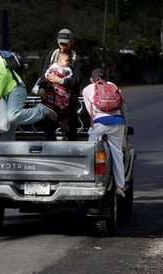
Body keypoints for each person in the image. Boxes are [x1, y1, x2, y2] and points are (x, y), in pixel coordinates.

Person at [82, 68, 126, 198]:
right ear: (105, 78)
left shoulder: (87, 89)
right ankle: (120, 186)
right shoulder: (112, 85)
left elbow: (89, 111)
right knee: (118, 153)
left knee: (90, 151)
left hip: (100, 122)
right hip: (118, 122)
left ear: (91, 79)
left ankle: (89, 180)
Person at [39, 28, 86, 141]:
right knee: (48, 130)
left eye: (66, 42)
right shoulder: (52, 55)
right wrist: (41, 88)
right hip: (51, 99)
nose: (63, 45)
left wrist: (60, 81)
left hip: (69, 102)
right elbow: (44, 74)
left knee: (71, 132)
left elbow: (77, 80)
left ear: (71, 42)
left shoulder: (77, 59)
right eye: (61, 42)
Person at [41, 52, 74, 125]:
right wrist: (47, 76)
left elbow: (71, 76)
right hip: (52, 88)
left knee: (63, 103)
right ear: (59, 61)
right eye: (66, 60)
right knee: (50, 97)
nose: (68, 62)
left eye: (69, 61)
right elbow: (47, 73)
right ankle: (51, 109)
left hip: (62, 89)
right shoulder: (53, 66)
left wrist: (64, 79)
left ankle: (62, 117)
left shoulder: (68, 69)